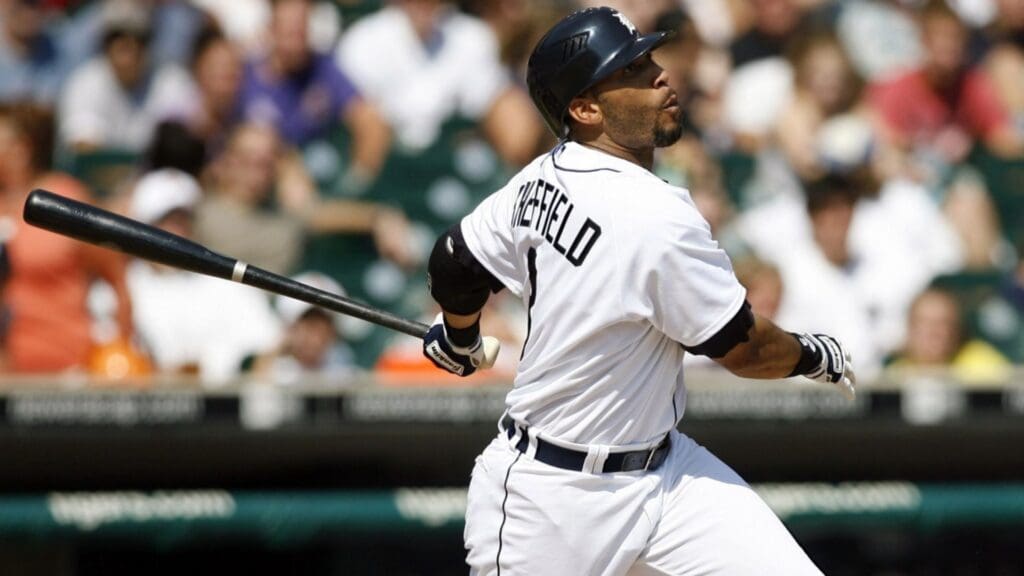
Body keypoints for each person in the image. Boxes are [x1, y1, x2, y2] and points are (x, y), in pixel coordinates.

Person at [419, 8, 855, 575]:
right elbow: (745, 350)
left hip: (667, 478)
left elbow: (454, 261)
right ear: (584, 108)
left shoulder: (540, 177)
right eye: (632, 70)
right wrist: (814, 354)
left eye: (649, 59)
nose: (660, 76)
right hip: (549, 500)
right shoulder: (656, 216)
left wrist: (459, 334)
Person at [0, 102, 135, 373]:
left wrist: (119, 348)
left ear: (21, 148)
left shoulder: (64, 199)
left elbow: (116, 276)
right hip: (7, 376)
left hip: (68, 368)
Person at [125, 168, 282, 382]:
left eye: (185, 220)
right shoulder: (122, 284)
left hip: (220, 407)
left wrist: (212, 364)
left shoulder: (223, 279)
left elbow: (269, 343)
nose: (178, 232)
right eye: (167, 221)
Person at [240, 0, 390, 189]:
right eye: (289, 32)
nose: (295, 41)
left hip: (315, 171)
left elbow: (369, 120)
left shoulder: (324, 70)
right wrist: (285, 164)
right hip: (259, 177)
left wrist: (356, 183)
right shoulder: (246, 74)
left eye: (301, 31)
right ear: (271, 30)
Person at [56, 0, 194, 152]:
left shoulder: (171, 80)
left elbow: (181, 142)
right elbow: (84, 148)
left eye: (139, 41)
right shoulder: (84, 83)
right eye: (122, 44)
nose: (131, 53)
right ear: (106, 46)